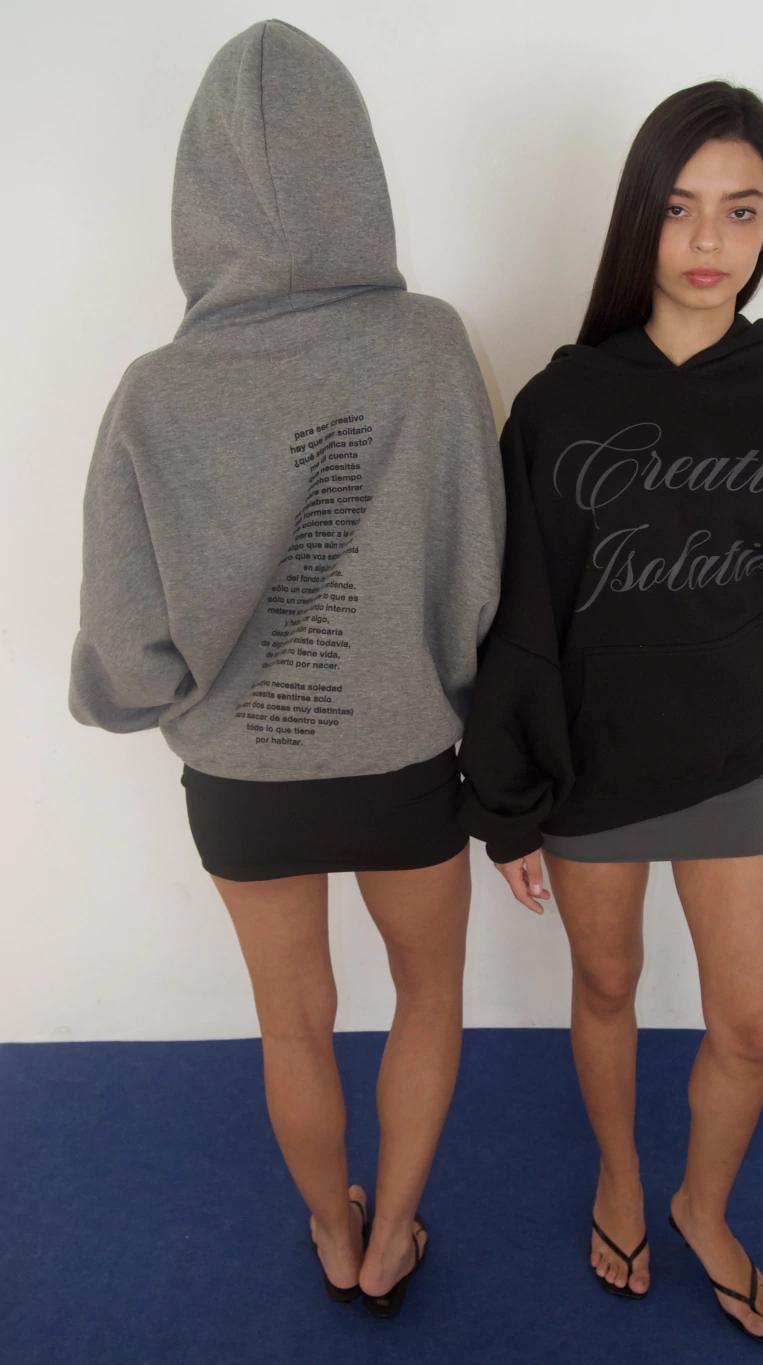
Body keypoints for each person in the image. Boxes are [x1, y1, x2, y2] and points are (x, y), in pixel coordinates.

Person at [68, 20, 504, 1319]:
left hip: (241, 781)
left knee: (291, 1023)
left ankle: (332, 1229)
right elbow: (477, 572)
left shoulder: (154, 392)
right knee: (430, 997)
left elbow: (123, 640)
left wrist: (167, 702)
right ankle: (395, 1235)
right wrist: (449, 692)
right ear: (351, 172)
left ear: (198, 197)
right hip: (404, 759)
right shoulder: (427, 345)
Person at [456, 80, 763, 1341]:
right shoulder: (561, 403)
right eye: (681, 208)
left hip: (736, 761)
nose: (708, 241)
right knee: (607, 989)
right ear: (639, 216)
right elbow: (521, 613)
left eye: (740, 211)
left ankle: (702, 1204)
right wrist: (508, 802)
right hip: (593, 769)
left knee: (751, 1025)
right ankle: (622, 1178)